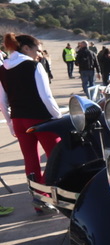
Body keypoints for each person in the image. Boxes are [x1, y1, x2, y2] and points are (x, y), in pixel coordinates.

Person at [0, 33, 63, 213]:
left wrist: (11, 124)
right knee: (57, 157)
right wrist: (58, 118)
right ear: (26, 48)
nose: (39, 54)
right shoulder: (34, 66)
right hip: (41, 119)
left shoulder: (3, 68)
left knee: (31, 159)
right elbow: (46, 96)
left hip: (19, 120)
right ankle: (42, 196)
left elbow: (2, 101)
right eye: (37, 50)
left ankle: (39, 202)